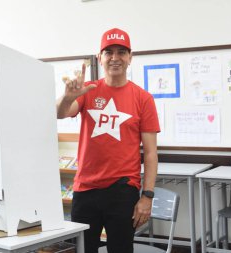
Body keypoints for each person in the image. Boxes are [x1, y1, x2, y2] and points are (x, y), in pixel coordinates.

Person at [56, 28, 160, 253]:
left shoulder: (143, 99)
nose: (115, 58)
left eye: (122, 52)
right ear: (99, 58)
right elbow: (60, 112)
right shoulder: (88, 90)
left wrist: (147, 196)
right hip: (85, 189)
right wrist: (67, 96)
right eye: (109, 52)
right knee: (84, 249)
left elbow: (151, 153)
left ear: (130, 57)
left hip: (123, 191)